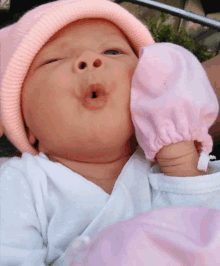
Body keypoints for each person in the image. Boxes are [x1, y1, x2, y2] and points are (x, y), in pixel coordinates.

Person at [0, 0, 220, 265]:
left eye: (112, 52)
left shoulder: (165, 168)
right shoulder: (22, 183)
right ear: (26, 124)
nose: (89, 60)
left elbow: (204, 236)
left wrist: (182, 166)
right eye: (54, 60)